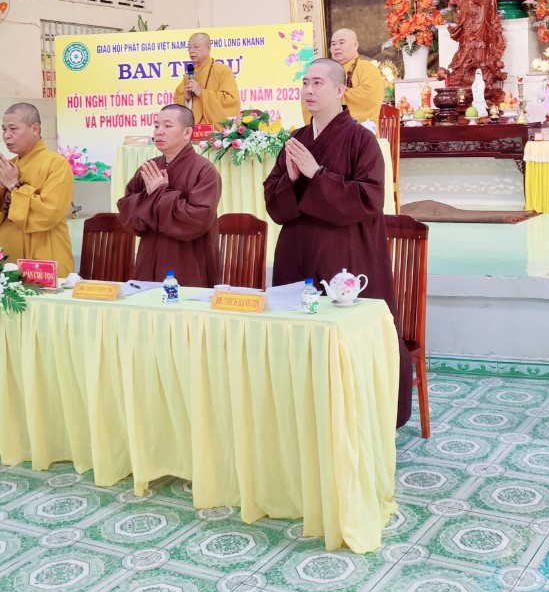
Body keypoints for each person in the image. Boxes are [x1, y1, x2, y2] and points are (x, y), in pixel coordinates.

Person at [264, 58, 414, 428]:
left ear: (339, 90)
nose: (309, 90)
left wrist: (317, 175)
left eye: (318, 83)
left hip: (344, 255)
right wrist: (292, 179)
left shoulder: (362, 140)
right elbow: (273, 202)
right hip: (297, 254)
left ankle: (358, 419)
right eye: (305, 83)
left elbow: (368, 199)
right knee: (297, 335)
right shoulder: (297, 140)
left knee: (344, 336)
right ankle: (300, 414)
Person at [117, 104, 221, 286]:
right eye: (156, 126)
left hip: (187, 261)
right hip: (148, 259)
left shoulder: (204, 171)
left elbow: (198, 219)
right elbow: (126, 211)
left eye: (167, 126)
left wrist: (159, 193)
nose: (159, 132)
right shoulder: (149, 168)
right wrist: (151, 196)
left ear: (187, 133)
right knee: (146, 302)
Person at [0, 103, 75, 274]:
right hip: (9, 259)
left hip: (45, 257)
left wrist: (14, 186)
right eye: (4, 129)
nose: (7, 135)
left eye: (13, 129)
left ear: (35, 129)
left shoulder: (57, 164)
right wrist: (1, 189)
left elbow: (49, 213)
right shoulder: (9, 168)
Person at [303, 28, 384, 126]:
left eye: (341, 43)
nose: (336, 47)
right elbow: (308, 95)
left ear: (355, 45)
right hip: (327, 130)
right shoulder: (323, 70)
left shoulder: (367, 68)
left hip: (358, 132)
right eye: (333, 44)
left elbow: (370, 98)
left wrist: (330, 96)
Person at [173, 32, 241, 126]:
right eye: (189, 47)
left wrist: (202, 93)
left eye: (196, 47)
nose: (191, 51)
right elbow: (177, 101)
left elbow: (232, 101)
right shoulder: (189, 75)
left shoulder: (222, 70)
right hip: (194, 129)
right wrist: (186, 98)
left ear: (208, 48)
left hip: (215, 130)